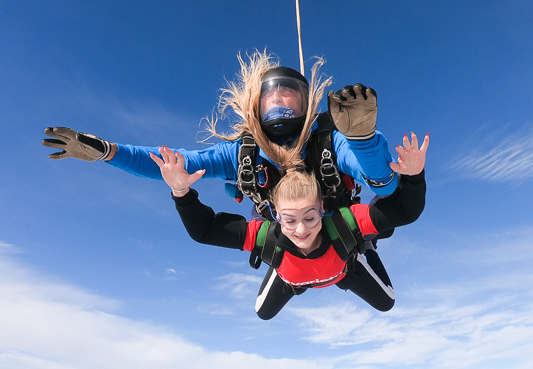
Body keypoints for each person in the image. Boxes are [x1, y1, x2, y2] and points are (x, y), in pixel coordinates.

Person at [43, 50, 397, 220]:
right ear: (255, 105)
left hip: (337, 229)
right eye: (270, 94)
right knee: (270, 298)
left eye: (288, 91)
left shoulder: (329, 140)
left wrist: (363, 139)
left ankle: (358, 259)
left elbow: (385, 184)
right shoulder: (241, 153)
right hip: (284, 235)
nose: (277, 97)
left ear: (306, 102)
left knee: (371, 283)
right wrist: (109, 152)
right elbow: (173, 164)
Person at [150, 132, 429, 320]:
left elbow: (405, 211)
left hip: (344, 269)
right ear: (276, 216)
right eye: (289, 220)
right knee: (263, 313)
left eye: (310, 217)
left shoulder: (343, 224)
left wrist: (414, 176)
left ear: (322, 210)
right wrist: (180, 193)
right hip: (291, 277)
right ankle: (293, 277)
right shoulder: (267, 237)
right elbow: (206, 230)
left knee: (386, 302)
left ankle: (366, 247)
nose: (300, 230)